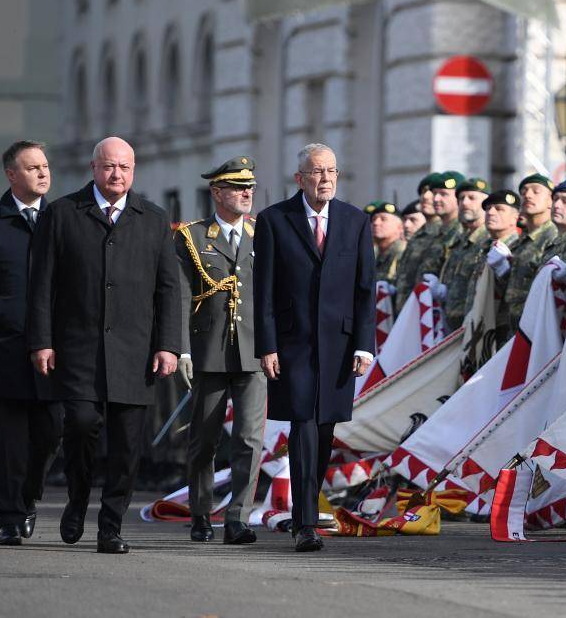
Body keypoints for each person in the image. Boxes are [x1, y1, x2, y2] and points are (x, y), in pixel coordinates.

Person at [28, 136, 181, 555]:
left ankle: (110, 526)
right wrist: (42, 341)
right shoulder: (62, 214)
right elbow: (41, 284)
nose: (117, 174)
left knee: (128, 446)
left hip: (135, 352)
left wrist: (168, 345)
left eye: (125, 167)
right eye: (110, 166)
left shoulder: (153, 218)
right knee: (80, 426)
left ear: (134, 171)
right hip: (78, 349)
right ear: (94, 168)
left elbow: (168, 289)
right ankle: (77, 499)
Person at [253, 142, 375, 553]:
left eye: (331, 171)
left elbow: (365, 289)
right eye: (317, 172)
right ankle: (305, 523)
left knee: (325, 430)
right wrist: (267, 345)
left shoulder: (355, 221)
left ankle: (307, 503)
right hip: (293, 344)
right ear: (300, 178)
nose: (326, 179)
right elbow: (264, 289)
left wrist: (364, 346)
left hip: (340, 345)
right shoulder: (274, 220)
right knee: (303, 425)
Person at [0, 141, 60, 546]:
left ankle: (27, 496)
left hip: (54, 348)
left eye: (45, 166)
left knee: (51, 430)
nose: (42, 173)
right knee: (7, 439)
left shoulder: (61, 220)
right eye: (32, 167)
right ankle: (10, 516)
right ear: (11, 175)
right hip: (2, 345)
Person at [175, 156, 265, 545]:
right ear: (216, 192)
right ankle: (200, 512)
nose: (247, 193)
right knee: (205, 439)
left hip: (254, 350)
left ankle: (238, 518)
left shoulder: (262, 234)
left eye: (250, 187)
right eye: (238, 187)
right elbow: (181, 297)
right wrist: (181, 350)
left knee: (250, 438)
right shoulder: (192, 236)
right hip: (208, 350)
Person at [489, 174, 558, 343]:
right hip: (513, 327)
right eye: (524, 191)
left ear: (550, 201)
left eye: (536, 191)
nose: (528, 195)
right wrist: (504, 271)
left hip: (536, 329)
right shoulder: (522, 241)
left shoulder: (553, 235)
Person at [430, 177, 489, 331]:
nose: (465, 203)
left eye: (472, 198)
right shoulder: (460, 241)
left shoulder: (488, 239)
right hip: (451, 323)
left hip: (475, 325)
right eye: (461, 198)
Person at [393, 173, 441, 311]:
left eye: (432, 192)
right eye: (423, 192)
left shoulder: (444, 233)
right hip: (408, 311)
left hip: (429, 312)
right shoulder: (418, 235)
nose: (426, 196)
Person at [365, 201, 405, 284]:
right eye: (373, 220)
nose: (376, 223)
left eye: (383, 219)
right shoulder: (373, 254)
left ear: (400, 227)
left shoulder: (403, 252)